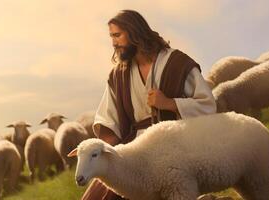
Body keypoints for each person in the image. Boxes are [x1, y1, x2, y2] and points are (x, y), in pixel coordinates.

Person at [81, 10, 217, 200]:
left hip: (173, 145)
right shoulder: (118, 75)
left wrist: (169, 103)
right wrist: (107, 154)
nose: (114, 43)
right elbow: (108, 120)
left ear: (134, 32)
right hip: (134, 147)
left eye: (117, 35)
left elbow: (208, 105)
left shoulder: (178, 64)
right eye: (112, 37)